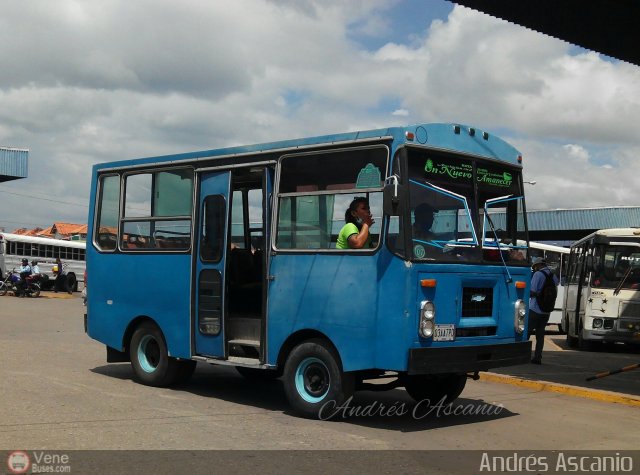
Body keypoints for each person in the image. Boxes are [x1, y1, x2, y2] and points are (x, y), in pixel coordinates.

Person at [528, 256, 559, 364]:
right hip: (546, 310)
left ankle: (524, 355)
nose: (535, 268)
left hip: (535, 309)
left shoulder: (538, 274)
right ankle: (538, 357)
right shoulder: (553, 275)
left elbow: (532, 291)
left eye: (535, 266)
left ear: (539, 265)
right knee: (540, 335)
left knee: (526, 333)